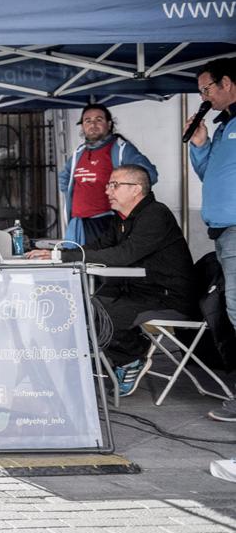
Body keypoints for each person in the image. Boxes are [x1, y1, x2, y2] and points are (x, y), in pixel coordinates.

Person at [29, 164, 196, 396]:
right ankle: (107, 358)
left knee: (101, 311)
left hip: (167, 298)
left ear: (136, 189)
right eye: (108, 185)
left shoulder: (156, 214)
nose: (108, 190)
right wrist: (57, 254)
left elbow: (123, 255)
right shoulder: (120, 219)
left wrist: (64, 256)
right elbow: (98, 247)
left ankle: (131, 358)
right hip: (138, 292)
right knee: (80, 303)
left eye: (115, 185)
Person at [187, 59, 236, 422]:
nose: (204, 97)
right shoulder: (224, 127)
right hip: (223, 232)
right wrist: (200, 145)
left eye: (207, 89)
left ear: (228, 83)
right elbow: (210, 175)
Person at [58, 105, 157, 247]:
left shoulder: (121, 149)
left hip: (107, 222)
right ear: (82, 127)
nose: (93, 125)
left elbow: (149, 175)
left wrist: (123, 192)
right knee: (74, 265)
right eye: (87, 121)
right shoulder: (79, 152)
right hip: (78, 225)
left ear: (109, 124)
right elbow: (64, 178)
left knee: (100, 267)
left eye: (99, 120)